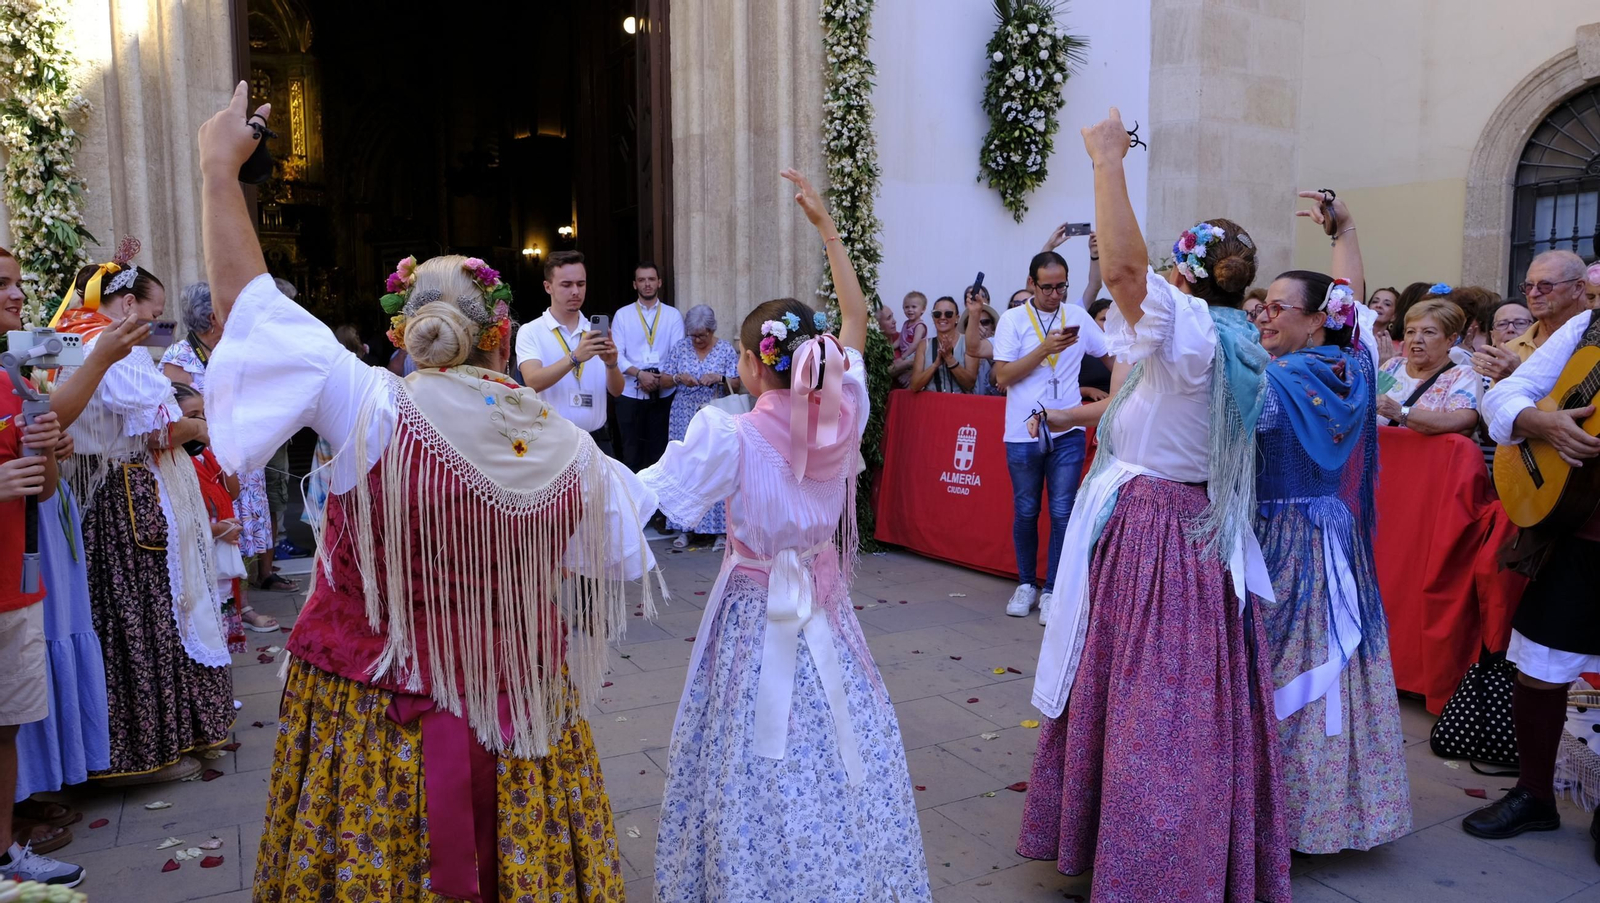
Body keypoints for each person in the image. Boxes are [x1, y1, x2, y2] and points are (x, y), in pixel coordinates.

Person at [197, 83, 658, 901]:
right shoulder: (564, 447)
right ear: (499, 335)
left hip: (369, 715)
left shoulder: (367, 404)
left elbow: (246, 312)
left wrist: (218, 173)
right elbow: (617, 550)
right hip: (517, 713)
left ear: (402, 330)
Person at [1019, 107, 1289, 903]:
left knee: (1156, 711)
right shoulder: (1230, 339)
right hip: (1174, 526)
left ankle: (1160, 867)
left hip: (1161, 536)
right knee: (1143, 696)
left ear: (1184, 271)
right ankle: (1138, 844)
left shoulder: (1195, 329)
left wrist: (1108, 162)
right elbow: (1154, 413)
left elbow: (1128, 278)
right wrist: (1076, 417)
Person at [645, 169, 931, 902]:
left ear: (746, 362)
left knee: (750, 750)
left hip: (753, 608)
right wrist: (827, 228)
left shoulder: (728, 433)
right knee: (842, 737)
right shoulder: (847, 416)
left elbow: (655, 495)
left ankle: (760, 874)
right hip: (824, 610)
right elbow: (859, 323)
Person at [1249, 191, 1411, 853]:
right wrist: (1345, 231)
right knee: (1330, 667)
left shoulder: (1273, 382)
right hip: (1333, 536)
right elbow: (1351, 300)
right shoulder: (1351, 369)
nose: (1264, 315)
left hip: (1278, 540)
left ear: (1317, 321)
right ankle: (1334, 811)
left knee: (1288, 668)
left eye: (1278, 308)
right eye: (1261, 306)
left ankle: (1288, 817)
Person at [48, 244, 235, 786]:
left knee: (161, 611)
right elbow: (151, 430)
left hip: (135, 492)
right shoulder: (102, 350)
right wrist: (197, 428)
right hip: (126, 498)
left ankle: (171, 737)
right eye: (153, 318)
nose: (155, 329)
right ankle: (146, 751)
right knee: (149, 615)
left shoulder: (87, 342)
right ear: (125, 303)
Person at [1463, 289, 1600, 858]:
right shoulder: (1589, 328)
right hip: (1577, 531)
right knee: (1541, 669)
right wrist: (1536, 421)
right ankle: (1535, 794)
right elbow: (1507, 394)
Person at [965, 249, 1112, 624]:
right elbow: (1002, 376)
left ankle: (1052, 590)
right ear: (1032, 283)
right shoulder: (1015, 320)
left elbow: (1112, 357)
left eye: (1061, 285)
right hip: (1022, 431)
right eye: (1047, 286)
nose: (1055, 294)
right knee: (1027, 510)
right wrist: (1044, 349)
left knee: (1063, 512)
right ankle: (1027, 584)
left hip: (1067, 429)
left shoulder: (1076, 316)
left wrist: (1126, 385)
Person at [0, 248, 82, 887]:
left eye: (18, 285)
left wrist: (50, 450)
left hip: (15, 583)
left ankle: (5, 855)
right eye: (2, 285)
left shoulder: (12, 379)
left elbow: (45, 491)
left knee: (7, 723)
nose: (16, 297)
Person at [160, 282, 281, 629]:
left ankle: (240, 606)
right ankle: (217, 608)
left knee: (239, 530)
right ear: (213, 318)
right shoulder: (179, 359)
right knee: (215, 530)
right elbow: (177, 413)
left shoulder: (233, 349)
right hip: (207, 459)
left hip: (241, 453)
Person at [515, 250, 623, 454]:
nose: (575, 291)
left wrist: (611, 363)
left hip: (597, 441)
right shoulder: (531, 331)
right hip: (551, 444)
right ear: (548, 287)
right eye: (566, 285)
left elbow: (617, 391)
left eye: (581, 284)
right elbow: (532, 381)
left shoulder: (594, 330)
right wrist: (574, 358)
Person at [171, 383, 247, 655]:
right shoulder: (174, 461)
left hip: (221, 549)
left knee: (222, 611)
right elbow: (181, 520)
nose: (202, 421)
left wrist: (222, 452)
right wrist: (216, 530)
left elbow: (233, 492)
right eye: (193, 416)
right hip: (201, 551)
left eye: (204, 414)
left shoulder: (206, 454)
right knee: (204, 616)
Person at [659, 304, 740, 550]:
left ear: (712, 330)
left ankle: (720, 532)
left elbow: (738, 382)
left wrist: (720, 378)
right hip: (684, 415)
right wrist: (677, 378)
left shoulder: (725, 349)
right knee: (686, 468)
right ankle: (685, 528)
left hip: (714, 416)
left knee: (715, 467)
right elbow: (662, 380)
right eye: (693, 335)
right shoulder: (681, 348)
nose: (697, 340)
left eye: (702, 335)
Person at [615, 261, 686, 478]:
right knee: (631, 453)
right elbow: (615, 354)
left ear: (659, 283)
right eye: (642, 280)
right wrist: (639, 374)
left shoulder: (672, 315)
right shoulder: (623, 315)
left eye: (651, 279)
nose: (647, 284)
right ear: (634, 284)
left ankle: (657, 509)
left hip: (663, 394)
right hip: (629, 392)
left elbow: (678, 351)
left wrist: (657, 379)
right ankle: (634, 506)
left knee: (660, 453)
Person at [1474, 250, 1590, 380]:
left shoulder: (1593, 342)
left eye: (1545, 286)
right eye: (1529, 286)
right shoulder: (1512, 349)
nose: (1533, 294)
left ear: (1577, 288)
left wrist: (1517, 379)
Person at [1376, 299, 1482, 436]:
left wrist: (1400, 412)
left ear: (1450, 339)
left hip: (1432, 457)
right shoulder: (1392, 366)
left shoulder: (1462, 375)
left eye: (1428, 332)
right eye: (1410, 332)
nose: (1416, 339)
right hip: (1383, 455)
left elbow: (1463, 421)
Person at [909, 296, 976, 393]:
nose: (942, 317)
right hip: (931, 404)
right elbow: (914, 386)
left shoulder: (968, 342)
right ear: (933, 318)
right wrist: (935, 364)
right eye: (937, 314)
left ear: (957, 318)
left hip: (960, 404)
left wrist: (949, 359)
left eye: (948, 314)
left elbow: (970, 384)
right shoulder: (924, 345)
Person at [957, 299, 1003, 396]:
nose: (979, 327)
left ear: (993, 328)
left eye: (984, 322)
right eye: (973, 323)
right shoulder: (957, 353)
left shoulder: (1003, 351)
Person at [1078, 298, 1115, 400]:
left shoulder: (1128, 349)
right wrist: (1088, 391)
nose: (1109, 325)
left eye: (1113, 320)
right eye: (1104, 319)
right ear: (1091, 322)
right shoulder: (1079, 349)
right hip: (1084, 406)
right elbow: (1060, 388)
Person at [890, 290, 927, 388]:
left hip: (915, 354)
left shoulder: (919, 326)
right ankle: (907, 377)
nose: (910, 310)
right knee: (900, 374)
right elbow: (900, 340)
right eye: (907, 307)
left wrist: (903, 357)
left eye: (914, 307)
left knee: (898, 367)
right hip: (906, 355)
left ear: (922, 309)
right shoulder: (906, 324)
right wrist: (889, 348)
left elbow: (915, 344)